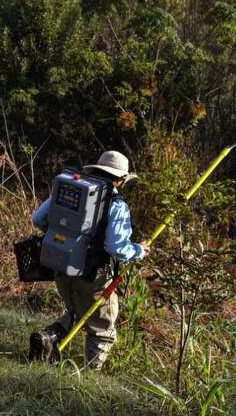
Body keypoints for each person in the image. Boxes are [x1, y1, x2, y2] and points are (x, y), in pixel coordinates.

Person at [31, 150, 149, 369]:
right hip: (93, 275)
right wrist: (139, 250)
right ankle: (89, 377)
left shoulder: (69, 186)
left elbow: (38, 219)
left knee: (79, 312)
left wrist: (62, 236)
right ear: (121, 179)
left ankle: (47, 340)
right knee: (103, 327)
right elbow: (116, 247)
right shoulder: (116, 204)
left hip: (59, 266)